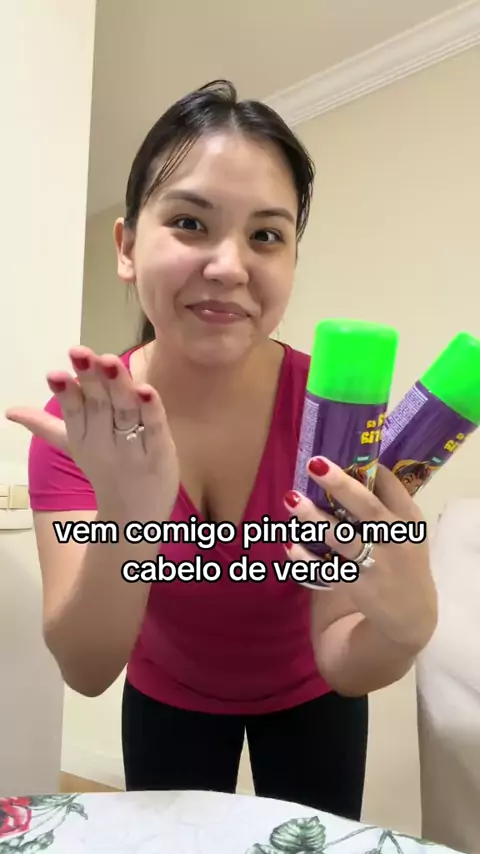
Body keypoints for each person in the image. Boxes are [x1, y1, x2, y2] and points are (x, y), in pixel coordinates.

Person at [6, 80, 437, 820]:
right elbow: (86, 667)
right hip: (165, 696)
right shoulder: (87, 425)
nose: (230, 266)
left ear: (292, 260)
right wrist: (130, 517)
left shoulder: (335, 418)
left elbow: (343, 654)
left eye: (266, 236)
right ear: (127, 247)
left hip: (312, 696)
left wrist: (406, 628)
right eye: (189, 222)